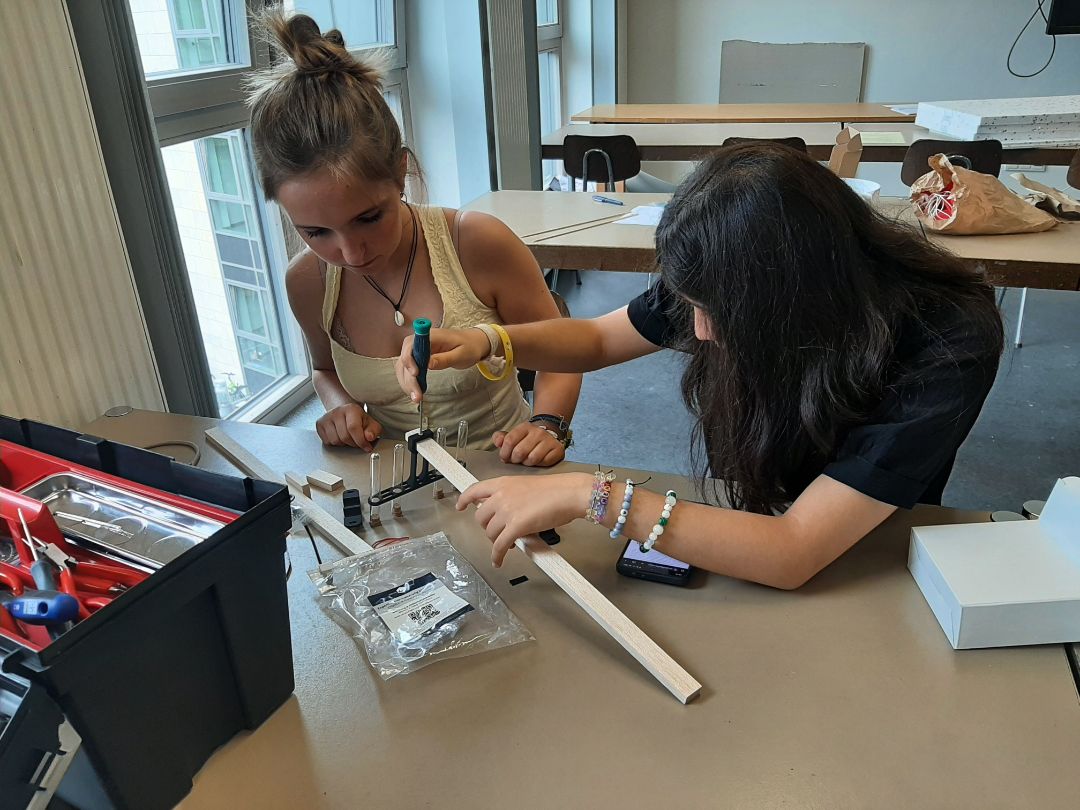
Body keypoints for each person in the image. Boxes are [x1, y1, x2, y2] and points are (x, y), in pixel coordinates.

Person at [396, 142, 1005, 589]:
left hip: (870, 553)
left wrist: (592, 495)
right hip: (762, 523)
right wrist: (486, 341)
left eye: (717, 312)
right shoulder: (725, 269)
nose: (701, 331)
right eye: (693, 305)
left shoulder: (947, 340)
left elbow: (795, 550)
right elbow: (598, 339)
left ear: (800, 293)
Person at [245, 12, 580, 466]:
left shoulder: (476, 243)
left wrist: (547, 424)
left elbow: (563, 351)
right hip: (395, 479)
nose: (351, 253)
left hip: (504, 469)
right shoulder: (307, 281)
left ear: (401, 171)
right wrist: (340, 408)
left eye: (368, 218)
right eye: (316, 232)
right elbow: (324, 369)